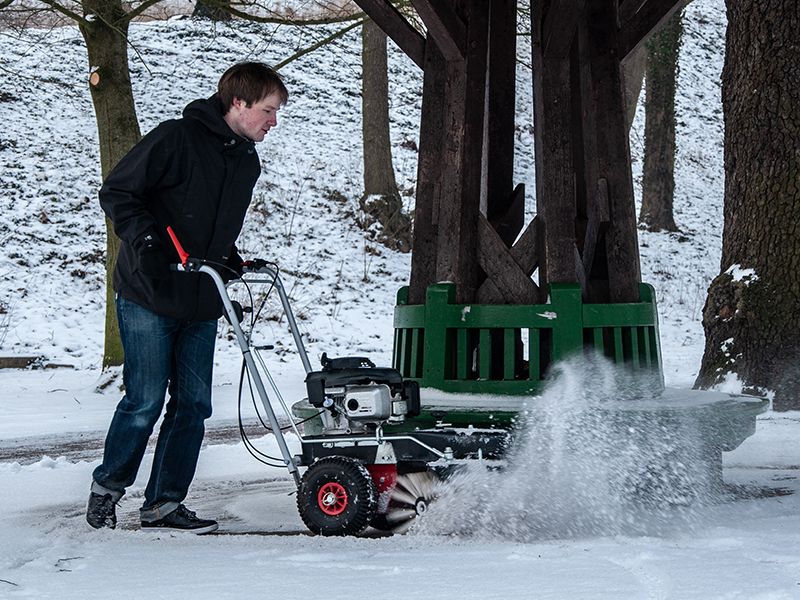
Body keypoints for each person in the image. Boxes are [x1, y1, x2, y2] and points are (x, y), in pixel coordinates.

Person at [86, 62, 288, 534]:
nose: (273, 122)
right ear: (238, 103)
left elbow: (212, 225)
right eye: (268, 110)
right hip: (149, 290)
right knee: (145, 400)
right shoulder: (174, 139)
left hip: (200, 297)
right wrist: (149, 242)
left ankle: (163, 503)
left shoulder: (245, 160)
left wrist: (230, 259)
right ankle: (107, 489)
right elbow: (118, 193)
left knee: (193, 404)